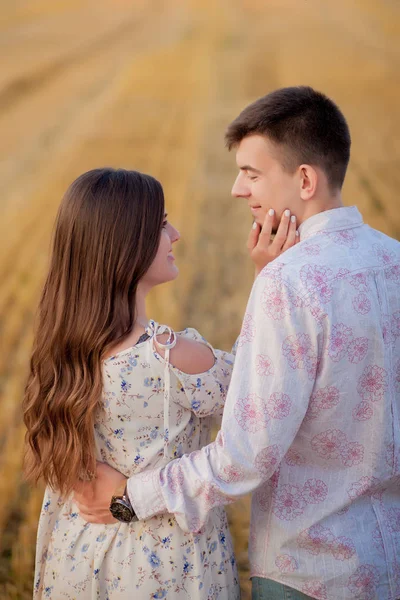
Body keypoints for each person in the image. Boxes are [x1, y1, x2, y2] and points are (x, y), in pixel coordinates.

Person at [75, 86, 400, 600]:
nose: (236, 189)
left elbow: (246, 454)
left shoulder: (288, 284)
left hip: (309, 570)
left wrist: (129, 498)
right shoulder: (392, 259)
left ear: (306, 180)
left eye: (251, 173)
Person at [23, 167, 297, 599]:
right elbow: (257, 383)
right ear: (125, 246)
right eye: (162, 224)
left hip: (77, 558)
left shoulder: (64, 351)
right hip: (164, 569)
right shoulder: (173, 356)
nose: (177, 234)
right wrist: (268, 277)